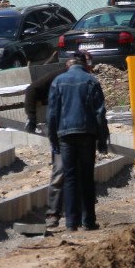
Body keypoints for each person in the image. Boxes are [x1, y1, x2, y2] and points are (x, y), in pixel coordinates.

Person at [45, 52, 109, 231]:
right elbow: (99, 113)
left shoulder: (58, 81)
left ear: (68, 65)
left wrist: (53, 139)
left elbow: (51, 114)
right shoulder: (91, 81)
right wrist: (102, 139)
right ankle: (88, 222)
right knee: (87, 177)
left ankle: (71, 223)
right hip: (87, 134)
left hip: (65, 135)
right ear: (83, 64)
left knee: (70, 178)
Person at [25, 61, 69, 227]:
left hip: (75, 131)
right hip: (61, 130)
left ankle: (73, 213)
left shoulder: (86, 80)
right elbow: (32, 89)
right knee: (60, 169)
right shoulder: (58, 78)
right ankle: (54, 213)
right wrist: (31, 116)